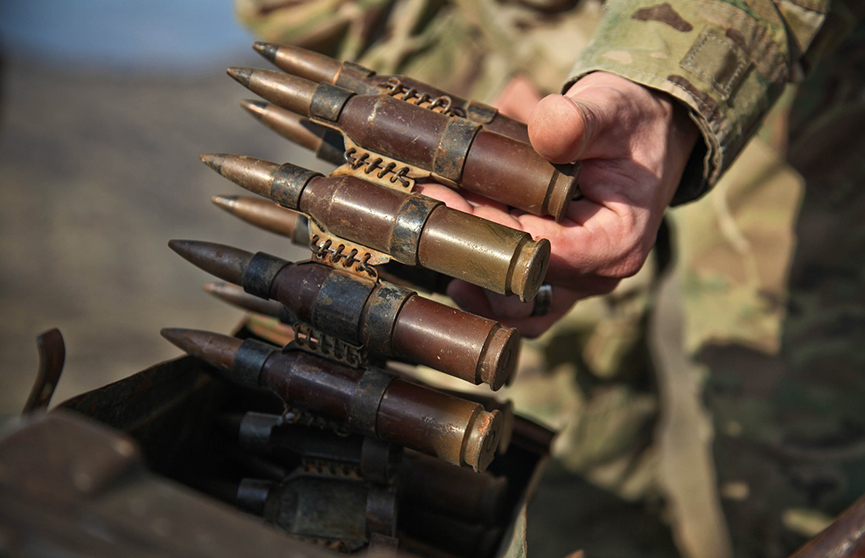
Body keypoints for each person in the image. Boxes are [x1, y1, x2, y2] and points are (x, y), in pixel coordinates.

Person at [236, 0, 865, 555]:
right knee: (543, 460)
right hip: (503, 68)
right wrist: (490, 119)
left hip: (788, 77)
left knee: (802, 444)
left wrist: (660, 81)